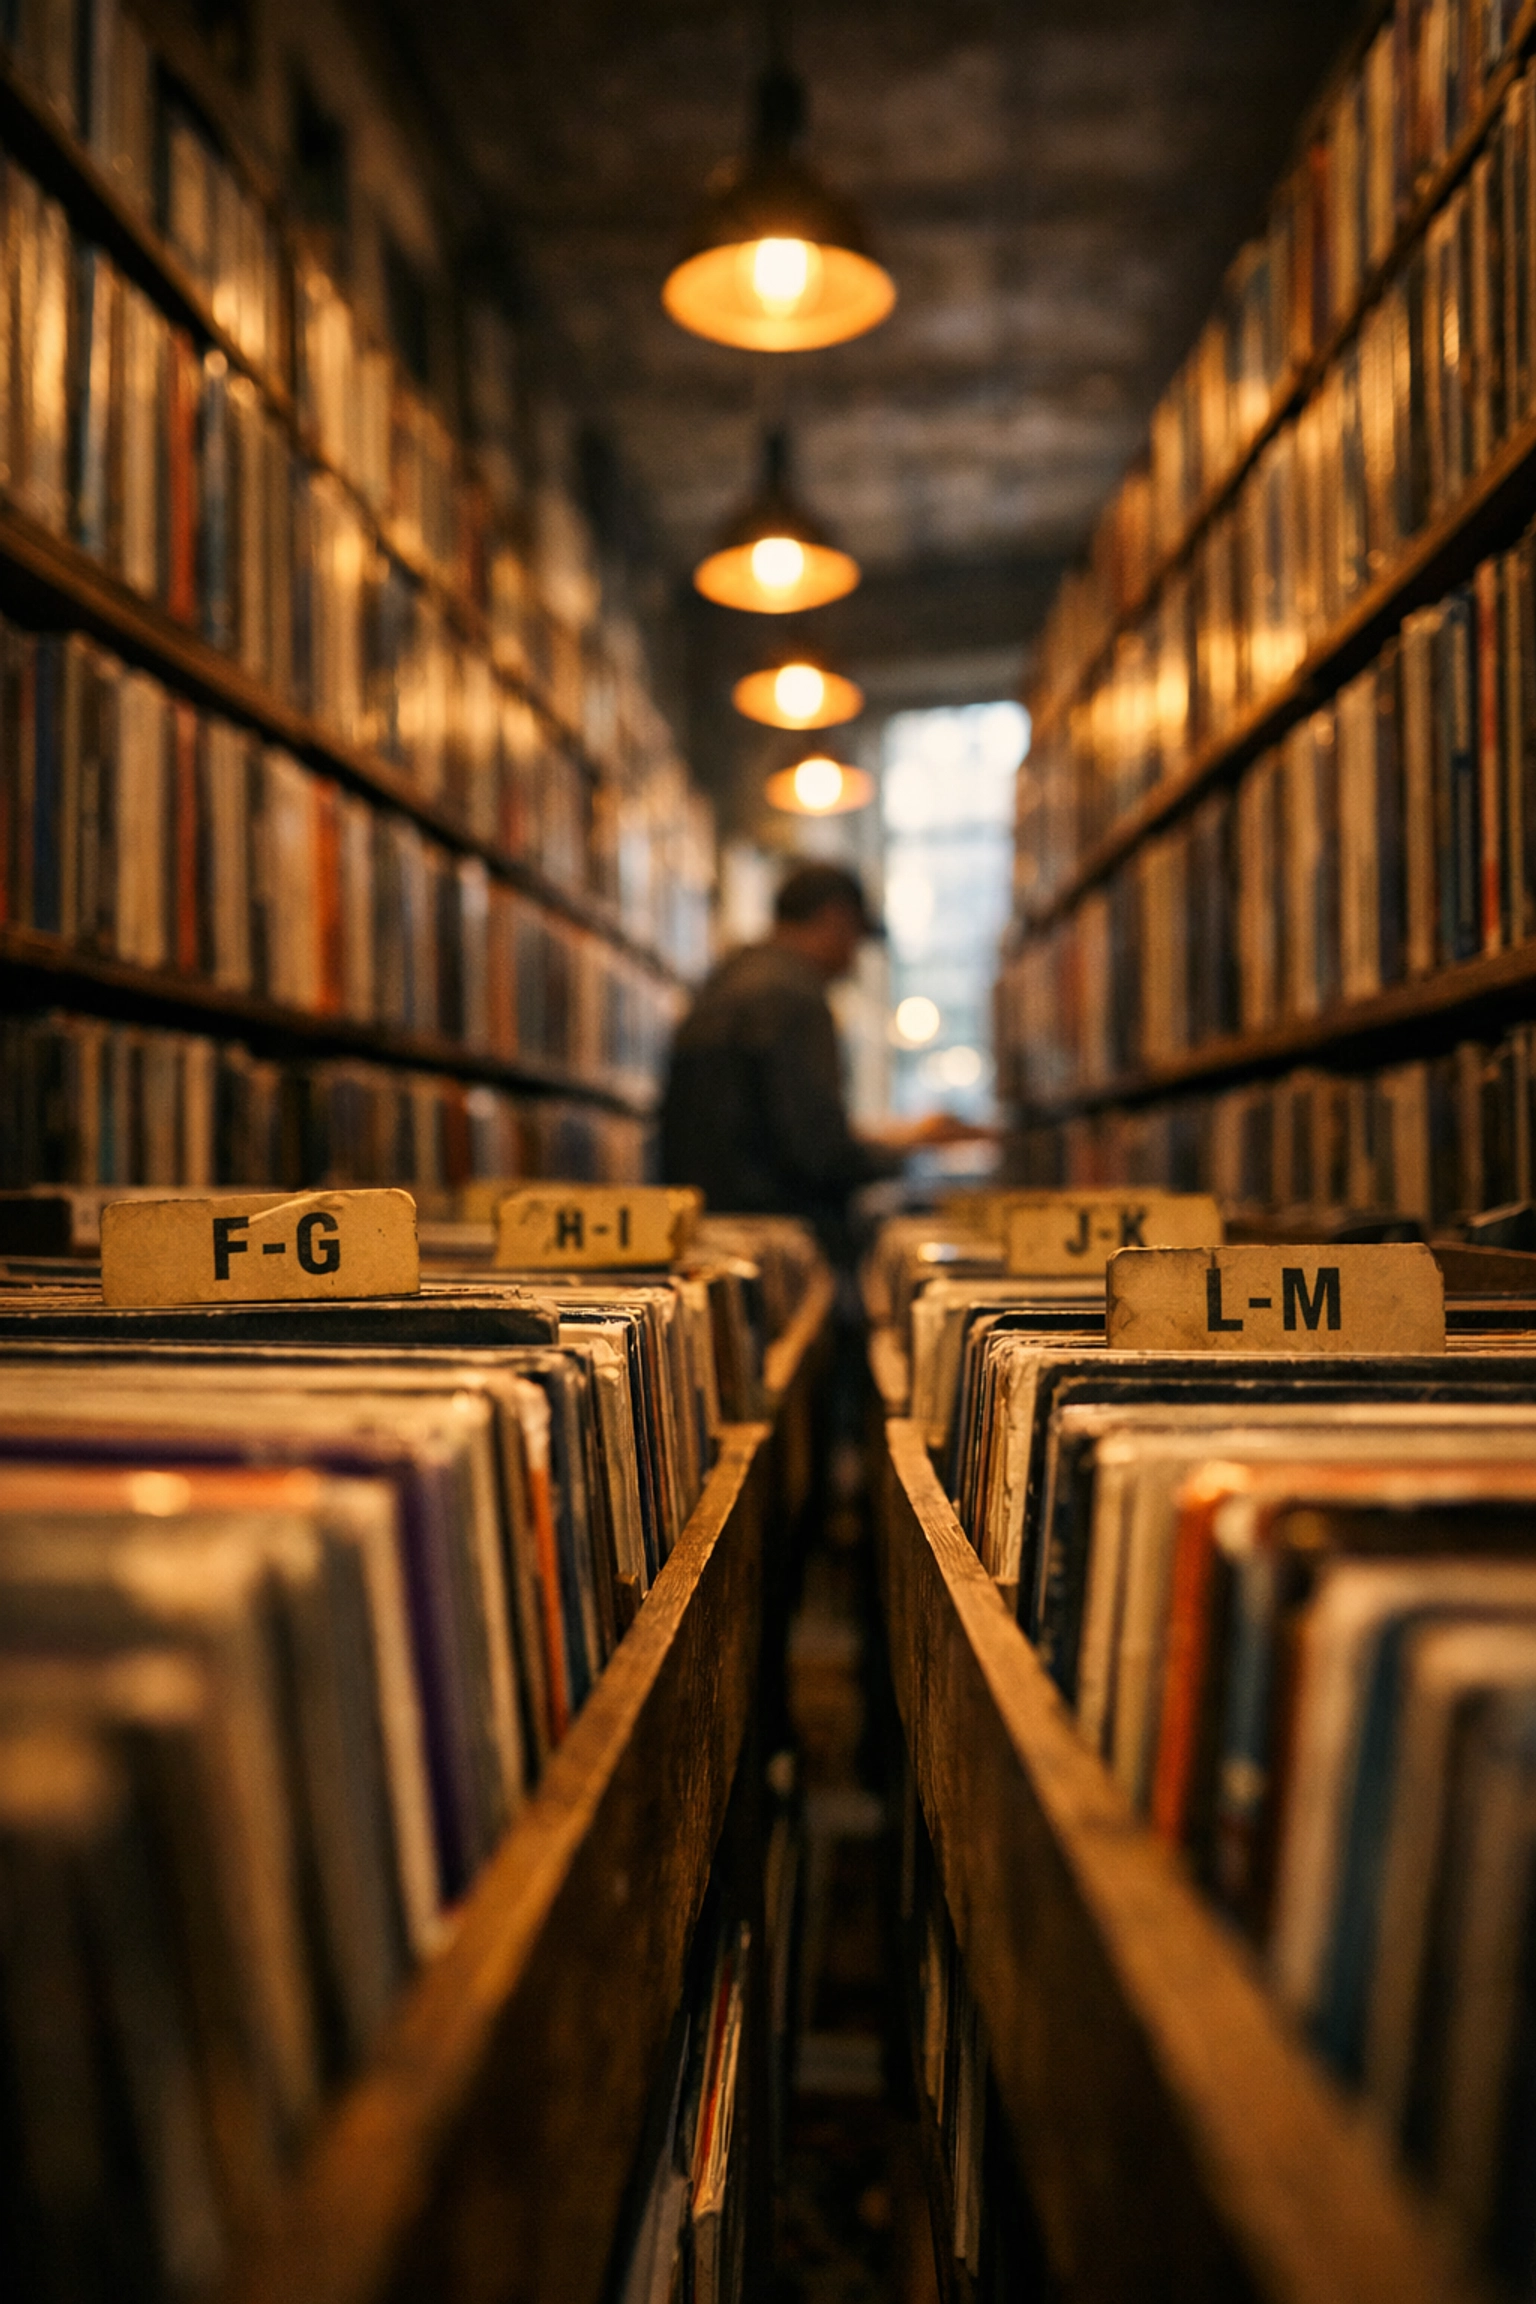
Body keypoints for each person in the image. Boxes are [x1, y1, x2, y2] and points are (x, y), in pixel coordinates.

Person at [661, 859, 976, 1266]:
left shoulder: (727, 977)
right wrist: (912, 1155)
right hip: (780, 1247)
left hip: (712, 1238)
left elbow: (763, 1125)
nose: (854, 958)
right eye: (856, 939)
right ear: (834, 918)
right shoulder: (795, 996)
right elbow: (817, 1152)